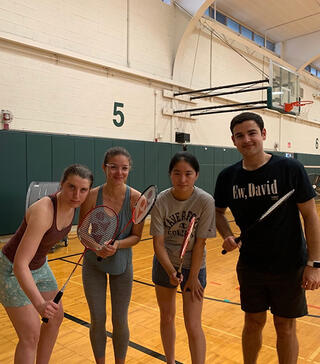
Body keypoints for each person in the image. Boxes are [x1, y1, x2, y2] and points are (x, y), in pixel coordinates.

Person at [214, 112, 320, 364]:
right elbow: (218, 213)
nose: (247, 140)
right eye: (240, 135)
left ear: (263, 134)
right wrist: (227, 235)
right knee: (252, 323)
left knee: (284, 326)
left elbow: (311, 216)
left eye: (252, 133)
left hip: (289, 263)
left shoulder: (290, 169)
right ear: (233, 140)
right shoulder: (228, 177)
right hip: (251, 265)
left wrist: (314, 264)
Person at [0, 164, 93, 364]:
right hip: (11, 269)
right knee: (31, 334)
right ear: (61, 185)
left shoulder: (76, 205)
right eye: (71, 187)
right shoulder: (44, 210)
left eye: (83, 189)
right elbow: (20, 264)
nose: (76, 194)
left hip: (39, 266)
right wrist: (39, 304)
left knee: (55, 318)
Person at [79, 146, 144, 364]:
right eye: (113, 167)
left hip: (122, 265)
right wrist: (96, 247)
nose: (119, 172)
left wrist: (118, 245)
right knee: (97, 319)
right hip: (93, 264)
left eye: (124, 168)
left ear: (129, 169)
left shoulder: (136, 199)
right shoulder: (91, 196)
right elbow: (82, 232)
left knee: (120, 320)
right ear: (104, 168)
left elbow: (136, 237)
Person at [150, 151, 215, 364]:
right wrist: (170, 271)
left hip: (193, 266)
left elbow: (200, 243)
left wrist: (193, 277)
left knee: (193, 324)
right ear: (170, 174)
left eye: (188, 173)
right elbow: (158, 243)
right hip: (165, 262)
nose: (183, 179)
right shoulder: (161, 201)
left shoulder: (205, 201)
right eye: (177, 173)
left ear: (196, 175)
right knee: (167, 318)